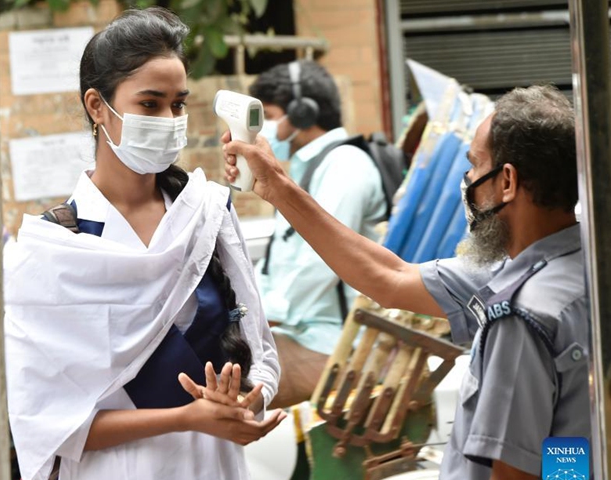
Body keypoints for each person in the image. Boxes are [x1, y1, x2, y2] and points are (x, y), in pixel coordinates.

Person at [223, 85, 588, 480]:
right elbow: (389, 278)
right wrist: (276, 185)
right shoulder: (571, 268)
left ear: (508, 182)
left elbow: (516, 472)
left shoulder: (519, 316)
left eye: (476, 166)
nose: (467, 180)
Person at [4, 8, 284, 480]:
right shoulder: (50, 251)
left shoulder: (209, 215)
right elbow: (42, 426)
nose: (170, 118)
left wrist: (246, 398)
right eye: (150, 104)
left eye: (178, 104)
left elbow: (262, 351)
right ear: (98, 107)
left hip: (214, 465)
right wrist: (183, 417)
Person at [248, 60, 387, 408]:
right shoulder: (315, 168)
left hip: (333, 342)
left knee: (221, 385)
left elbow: (321, 264)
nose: (262, 128)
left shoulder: (346, 166)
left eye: (270, 114)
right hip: (301, 334)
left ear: (303, 113)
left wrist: (262, 318)